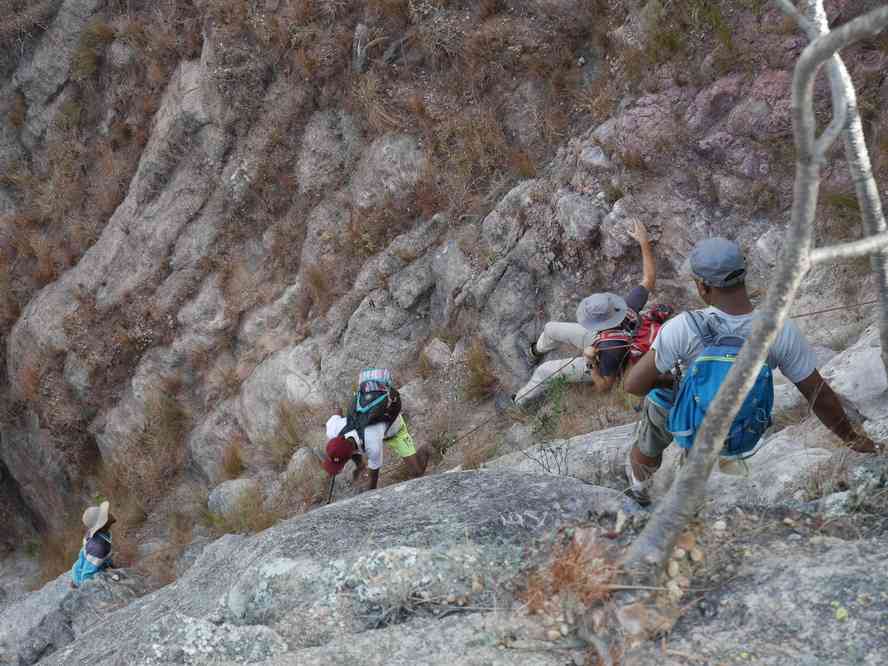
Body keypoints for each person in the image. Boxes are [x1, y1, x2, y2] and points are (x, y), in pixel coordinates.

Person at [622, 237, 879, 506]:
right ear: (743, 276)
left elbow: (633, 386)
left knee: (656, 414)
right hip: (740, 425)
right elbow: (817, 393)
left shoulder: (683, 327)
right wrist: (851, 439)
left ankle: (640, 488)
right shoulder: (779, 329)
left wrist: (670, 380)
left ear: (703, 285)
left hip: (683, 414)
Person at [513, 221, 657, 405]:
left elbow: (604, 387)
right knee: (550, 328)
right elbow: (649, 278)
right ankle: (535, 351)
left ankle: (518, 401)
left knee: (544, 371)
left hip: (601, 356)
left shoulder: (612, 349)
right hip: (601, 339)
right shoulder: (627, 308)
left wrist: (590, 362)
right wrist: (644, 242)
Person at [323, 368, 429, 491]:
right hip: (368, 432)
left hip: (394, 430)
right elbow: (337, 412)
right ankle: (360, 463)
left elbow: (372, 485)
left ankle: (427, 449)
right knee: (350, 448)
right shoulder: (333, 430)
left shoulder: (373, 446)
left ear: (351, 453)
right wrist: (359, 465)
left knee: (417, 471)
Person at [70, 500, 115, 588]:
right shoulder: (98, 548)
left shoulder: (95, 535)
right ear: (102, 525)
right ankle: (75, 583)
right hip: (82, 576)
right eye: (106, 516)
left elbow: (83, 553)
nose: (109, 514)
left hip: (82, 566)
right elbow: (86, 575)